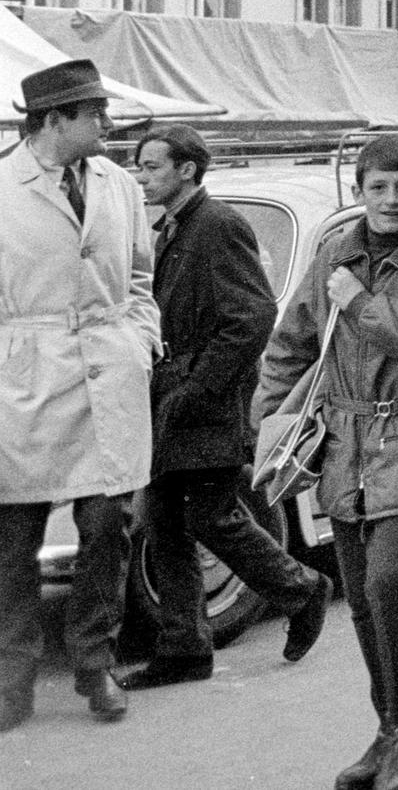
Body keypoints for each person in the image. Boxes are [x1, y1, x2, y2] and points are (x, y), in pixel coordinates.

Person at [255, 134, 398, 790]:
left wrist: (363, 306)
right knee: (361, 601)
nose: (391, 200)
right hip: (344, 441)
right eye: (378, 187)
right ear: (358, 192)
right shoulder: (334, 253)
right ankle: (389, 733)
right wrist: (265, 422)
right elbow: (292, 339)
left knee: (388, 584)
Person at [121, 123, 330, 692]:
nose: (143, 177)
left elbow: (252, 318)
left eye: (152, 167)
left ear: (187, 169)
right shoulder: (177, 228)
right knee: (165, 523)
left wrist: (197, 391)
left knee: (210, 515)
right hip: (177, 400)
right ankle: (185, 649)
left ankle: (301, 590)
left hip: (205, 404)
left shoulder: (216, 226)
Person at [0, 60, 160, 731]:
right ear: (54, 120)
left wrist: (141, 342)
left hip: (109, 368)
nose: (107, 122)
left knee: (106, 532)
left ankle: (96, 664)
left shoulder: (117, 184)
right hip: (24, 378)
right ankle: (12, 679)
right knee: (14, 542)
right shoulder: (3, 185)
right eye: (94, 112)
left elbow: (143, 277)